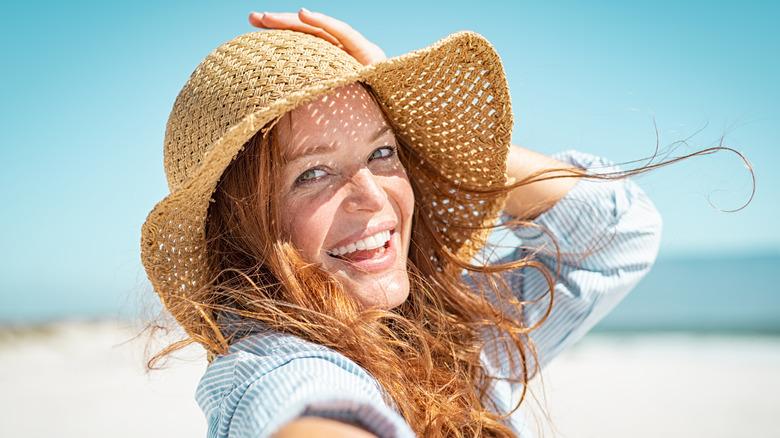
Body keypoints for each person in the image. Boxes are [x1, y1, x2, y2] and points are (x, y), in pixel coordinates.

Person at [141, 9, 662, 438]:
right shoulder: (272, 367)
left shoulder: (450, 334)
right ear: (240, 226)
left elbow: (621, 232)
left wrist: (430, 138)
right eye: (313, 173)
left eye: (384, 151)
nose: (373, 196)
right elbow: (307, 413)